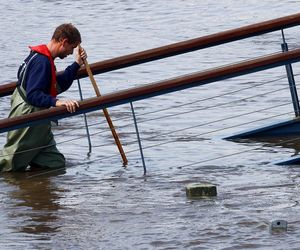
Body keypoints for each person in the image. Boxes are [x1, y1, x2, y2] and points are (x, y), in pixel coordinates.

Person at [0, 23, 87, 172]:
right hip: (29, 118)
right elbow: (34, 95)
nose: (70, 52)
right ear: (64, 41)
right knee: (9, 165)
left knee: (54, 163)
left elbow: (55, 86)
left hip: (40, 124)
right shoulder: (42, 62)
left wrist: (77, 64)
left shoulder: (41, 57)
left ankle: (34, 189)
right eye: (71, 48)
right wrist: (57, 102)